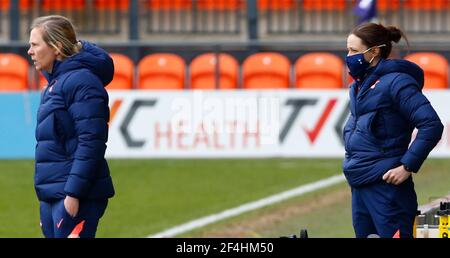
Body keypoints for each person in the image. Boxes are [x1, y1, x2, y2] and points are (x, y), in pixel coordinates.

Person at [342, 22, 444, 238]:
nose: (348, 56)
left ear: (374, 51)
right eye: (347, 49)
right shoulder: (358, 87)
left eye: (354, 50)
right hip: (359, 185)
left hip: (387, 190)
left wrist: (407, 166)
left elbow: (431, 125)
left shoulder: (398, 82)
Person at [28, 15, 115, 238]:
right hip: (53, 195)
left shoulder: (81, 81)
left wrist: (73, 194)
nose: (30, 51)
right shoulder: (53, 85)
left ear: (56, 47)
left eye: (35, 44)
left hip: (74, 196)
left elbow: (91, 142)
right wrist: (47, 200)